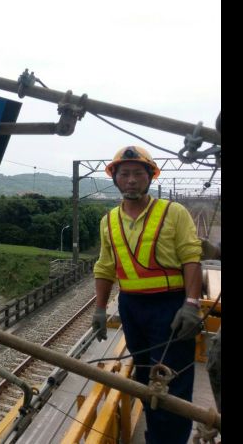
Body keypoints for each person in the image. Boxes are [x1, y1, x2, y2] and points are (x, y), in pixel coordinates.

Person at [90, 146, 203, 444]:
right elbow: (105, 267)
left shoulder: (173, 213)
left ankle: (171, 441)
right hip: (131, 307)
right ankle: (157, 436)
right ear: (115, 178)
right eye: (124, 174)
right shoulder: (109, 221)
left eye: (138, 174)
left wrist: (191, 304)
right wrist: (100, 309)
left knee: (171, 380)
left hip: (171, 306)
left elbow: (191, 258)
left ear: (150, 177)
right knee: (144, 380)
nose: (130, 180)